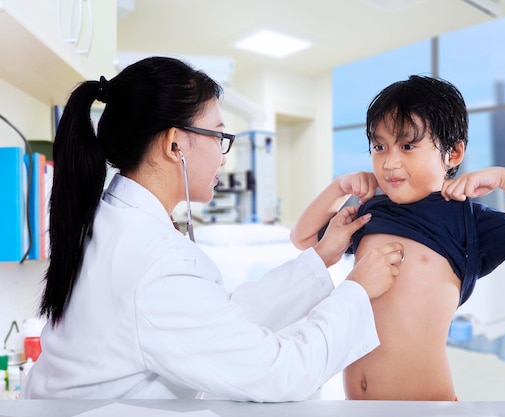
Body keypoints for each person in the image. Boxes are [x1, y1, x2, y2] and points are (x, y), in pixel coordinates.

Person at [21, 56, 406, 401]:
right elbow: (280, 373)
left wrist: (321, 258)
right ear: (175, 145)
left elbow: (218, 319)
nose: (225, 154)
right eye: (219, 136)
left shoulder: (115, 222)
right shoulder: (154, 260)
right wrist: (356, 291)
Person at [290, 75, 505, 400]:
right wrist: (339, 187)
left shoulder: (468, 220)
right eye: (379, 146)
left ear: (454, 152)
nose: (389, 162)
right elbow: (303, 238)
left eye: (407, 145)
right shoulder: (371, 211)